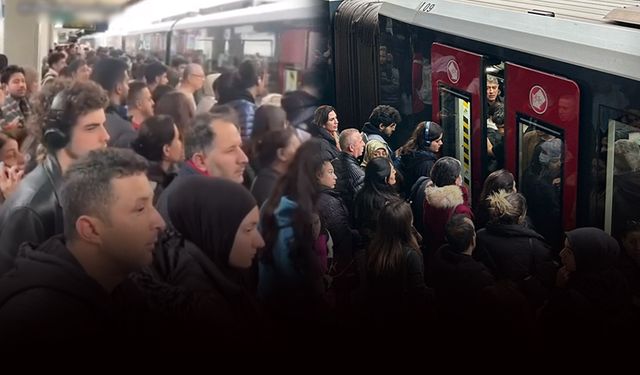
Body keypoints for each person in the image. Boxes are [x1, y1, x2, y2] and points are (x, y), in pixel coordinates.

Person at [0, 148, 165, 348]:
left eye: (152, 204)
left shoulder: (122, 279)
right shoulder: (36, 322)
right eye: (140, 209)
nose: (159, 222)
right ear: (91, 230)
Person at [136, 176, 265, 349]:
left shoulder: (222, 275)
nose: (260, 241)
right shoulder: (198, 313)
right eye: (248, 229)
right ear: (215, 230)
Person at [0, 79, 110, 276]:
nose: (106, 136)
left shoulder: (82, 183)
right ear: (57, 135)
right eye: (92, 127)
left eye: (103, 124)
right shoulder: (29, 210)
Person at [155, 110, 248, 227]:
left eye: (240, 147)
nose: (244, 159)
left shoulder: (208, 195)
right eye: (231, 150)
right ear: (200, 161)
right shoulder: (191, 207)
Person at [474, 191, 557, 307]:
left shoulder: (480, 236)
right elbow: (546, 281)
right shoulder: (534, 244)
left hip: (488, 303)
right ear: (521, 217)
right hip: (522, 308)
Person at [422, 157, 473, 254]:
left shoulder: (429, 199)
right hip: (455, 258)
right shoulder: (460, 210)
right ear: (457, 180)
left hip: (436, 254)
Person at [131, 115, 184, 205]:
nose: (182, 143)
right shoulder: (154, 192)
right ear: (166, 150)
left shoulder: (135, 175)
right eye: (178, 138)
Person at [354, 157, 399, 247]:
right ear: (384, 178)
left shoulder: (361, 194)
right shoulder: (386, 204)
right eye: (392, 170)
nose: (395, 172)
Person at [90, 57, 135, 148]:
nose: (129, 87)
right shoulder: (125, 130)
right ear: (118, 88)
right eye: (126, 82)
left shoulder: (83, 118)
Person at [250, 127, 300, 207]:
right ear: (282, 154)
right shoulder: (268, 184)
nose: (302, 153)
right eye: (298, 149)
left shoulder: (278, 179)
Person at [396, 121, 443, 197]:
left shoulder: (409, 153)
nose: (441, 143)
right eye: (437, 141)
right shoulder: (426, 164)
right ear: (426, 143)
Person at [332, 128, 365, 218]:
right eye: (361, 141)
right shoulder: (359, 175)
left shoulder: (334, 163)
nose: (364, 144)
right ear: (351, 147)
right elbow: (363, 204)